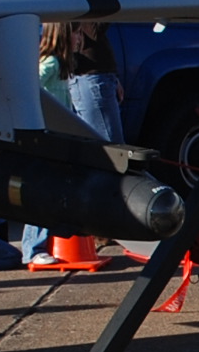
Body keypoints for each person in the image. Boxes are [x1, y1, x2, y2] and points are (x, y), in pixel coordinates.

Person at [20, 18, 124, 265]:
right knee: (43, 188)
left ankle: (37, 246)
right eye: (76, 34)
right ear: (63, 36)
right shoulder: (52, 63)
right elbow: (30, 85)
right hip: (46, 135)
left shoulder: (62, 66)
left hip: (56, 135)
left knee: (51, 187)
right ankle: (33, 249)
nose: (80, 39)